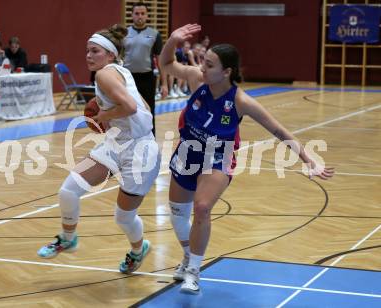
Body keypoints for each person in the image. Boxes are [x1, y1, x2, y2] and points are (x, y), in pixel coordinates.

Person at [159, 24, 335, 294]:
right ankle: (187, 255)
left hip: (218, 156)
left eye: (209, 65)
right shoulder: (196, 79)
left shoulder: (241, 101)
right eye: (203, 63)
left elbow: (278, 130)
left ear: (227, 72)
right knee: (177, 212)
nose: (202, 68)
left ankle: (194, 270)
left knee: (202, 207)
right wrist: (172, 40)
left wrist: (307, 158)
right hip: (187, 150)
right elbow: (167, 63)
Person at [37, 24, 161, 274]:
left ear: (111, 54)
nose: (88, 55)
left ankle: (138, 250)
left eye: (95, 51)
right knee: (68, 190)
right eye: (87, 51)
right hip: (117, 142)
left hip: (140, 150)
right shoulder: (120, 72)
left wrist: (104, 115)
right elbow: (145, 106)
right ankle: (67, 237)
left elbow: (131, 107)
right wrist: (112, 118)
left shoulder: (106, 74)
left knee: (123, 217)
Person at [123, 2, 167, 137]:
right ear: (132, 15)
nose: (140, 16)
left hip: (147, 78)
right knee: (127, 110)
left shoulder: (154, 34)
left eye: (143, 13)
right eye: (137, 13)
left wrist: (164, 84)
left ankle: (150, 138)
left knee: (148, 111)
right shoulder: (124, 33)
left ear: (147, 15)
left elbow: (161, 62)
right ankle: (128, 138)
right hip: (128, 79)